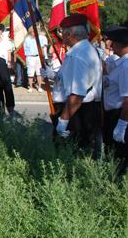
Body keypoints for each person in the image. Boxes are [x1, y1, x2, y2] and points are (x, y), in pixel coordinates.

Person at [40, 14, 102, 158]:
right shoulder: (85, 49)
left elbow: (77, 94)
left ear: (69, 34)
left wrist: (63, 120)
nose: (62, 36)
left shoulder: (78, 55)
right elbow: (71, 79)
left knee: (71, 154)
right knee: (82, 152)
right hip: (80, 110)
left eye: (63, 32)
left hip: (76, 113)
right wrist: (53, 75)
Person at [102, 26, 128, 174]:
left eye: (114, 42)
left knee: (120, 157)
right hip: (113, 114)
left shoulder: (126, 66)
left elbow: (127, 99)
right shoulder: (120, 64)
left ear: (121, 44)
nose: (111, 45)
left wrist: (122, 124)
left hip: (119, 115)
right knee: (113, 154)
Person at [23, 28, 48, 92]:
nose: (34, 33)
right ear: (30, 32)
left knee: (39, 73)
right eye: (33, 32)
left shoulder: (40, 38)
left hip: (38, 57)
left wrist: (43, 57)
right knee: (30, 73)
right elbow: (25, 49)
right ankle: (30, 87)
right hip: (30, 57)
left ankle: (39, 87)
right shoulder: (27, 39)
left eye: (35, 32)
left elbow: (42, 48)